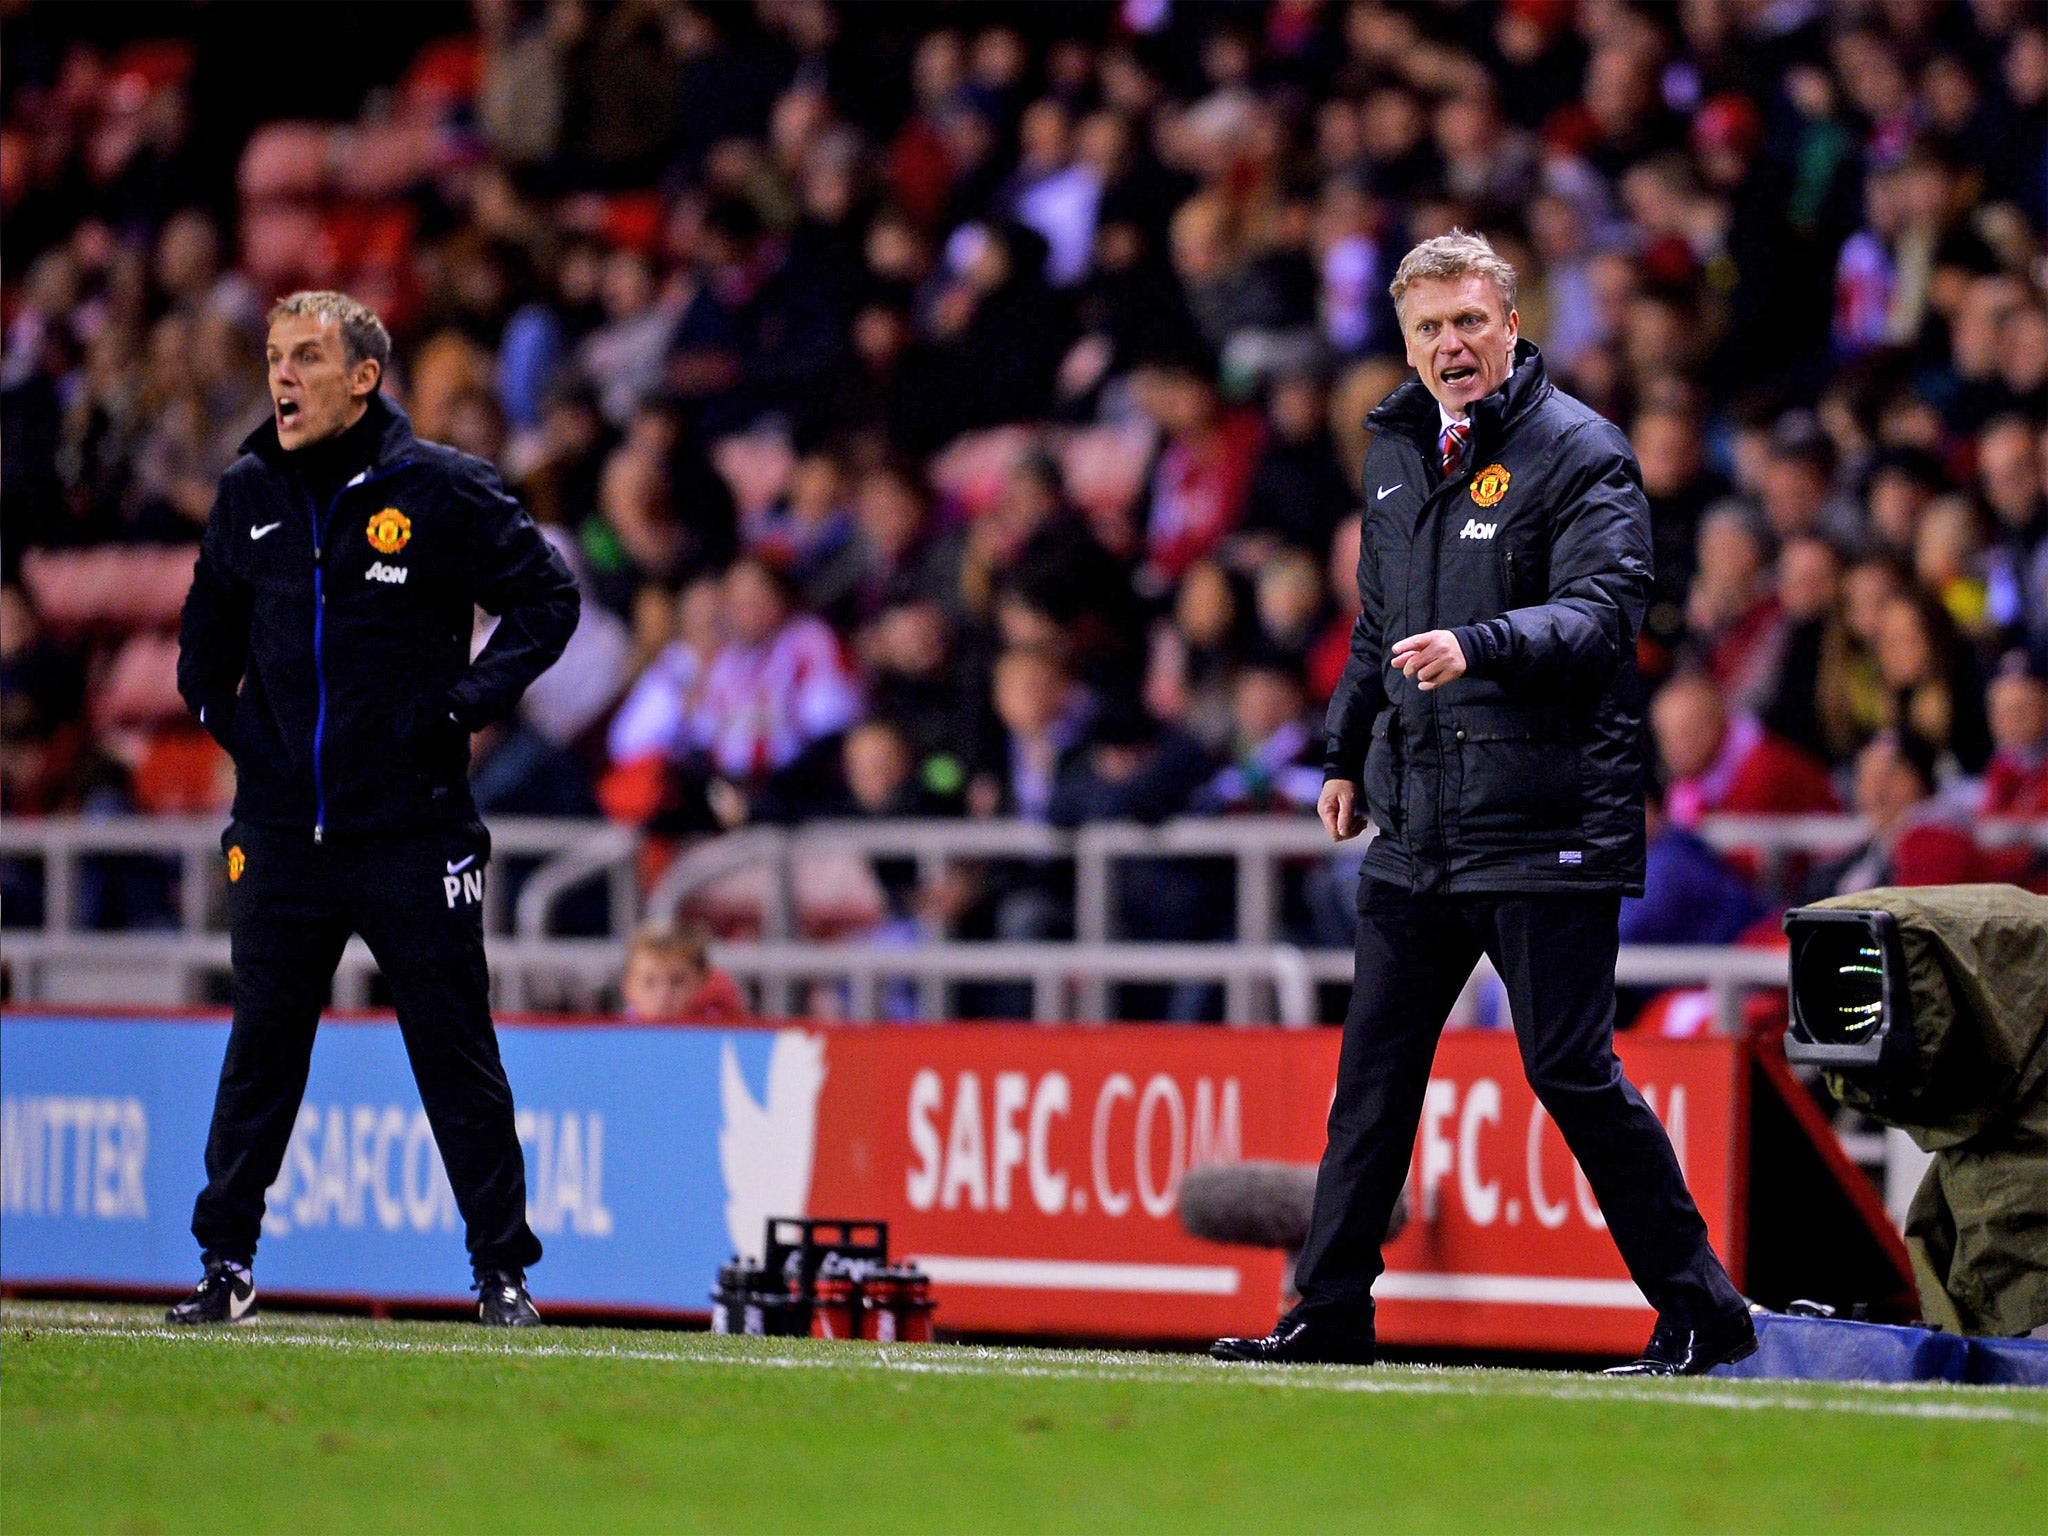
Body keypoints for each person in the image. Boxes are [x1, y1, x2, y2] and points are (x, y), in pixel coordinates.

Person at [1212, 233, 1755, 1377]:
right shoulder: (1396, 452)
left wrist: (1478, 643)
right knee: (1369, 1078)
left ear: (1510, 324)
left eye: (1466, 322)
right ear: (1405, 347)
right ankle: (1329, 1311)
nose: (1448, 346)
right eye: (1426, 330)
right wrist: (1342, 753)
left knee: (1568, 1069)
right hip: (1419, 819)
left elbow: (1603, 614)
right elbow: (1373, 622)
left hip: (1543, 817)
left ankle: (1702, 1309)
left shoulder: (1581, 454)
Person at [170, 291, 579, 1327]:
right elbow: (200, 653)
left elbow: (548, 599)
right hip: (279, 835)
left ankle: (501, 1273)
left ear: (364, 377)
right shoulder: (246, 494)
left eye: (306, 356)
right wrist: (243, 736)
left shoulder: (441, 490)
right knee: (263, 1044)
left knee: (453, 1047)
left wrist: (466, 706)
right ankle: (225, 1266)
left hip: (415, 829)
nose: (282, 376)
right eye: (272, 356)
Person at [620, 921, 748, 1023]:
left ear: (701, 982)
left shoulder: (719, 1029)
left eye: (677, 981)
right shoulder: (617, 1033)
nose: (664, 994)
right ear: (628, 986)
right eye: (649, 982)